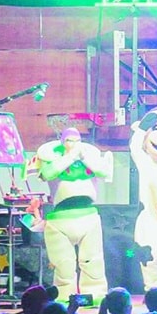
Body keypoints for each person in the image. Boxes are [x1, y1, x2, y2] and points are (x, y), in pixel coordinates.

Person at [35, 126, 112, 299]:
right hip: (60, 219)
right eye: (70, 141)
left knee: (93, 262)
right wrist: (69, 157)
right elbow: (47, 174)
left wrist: (83, 157)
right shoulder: (52, 158)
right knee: (64, 265)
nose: (74, 144)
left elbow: (104, 172)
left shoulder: (89, 156)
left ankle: (94, 295)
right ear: (63, 142)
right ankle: (64, 296)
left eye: (77, 141)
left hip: (88, 216)